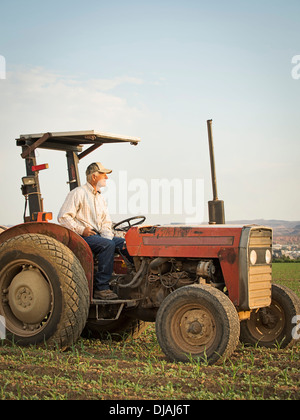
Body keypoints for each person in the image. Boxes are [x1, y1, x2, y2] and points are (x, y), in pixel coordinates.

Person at [58, 162, 131, 300]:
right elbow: (63, 217)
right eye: (104, 175)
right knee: (107, 246)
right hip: (82, 236)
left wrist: (108, 237)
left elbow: (106, 222)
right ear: (94, 176)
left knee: (125, 244)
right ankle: (101, 287)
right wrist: (81, 230)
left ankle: (137, 278)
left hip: (98, 236)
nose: (106, 178)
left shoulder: (100, 198)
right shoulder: (78, 193)